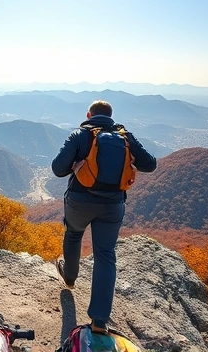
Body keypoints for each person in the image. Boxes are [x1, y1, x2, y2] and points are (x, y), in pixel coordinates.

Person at [51, 100, 156, 334]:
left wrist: (76, 167)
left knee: (74, 234)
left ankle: (69, 277)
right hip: (113, 205)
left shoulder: (80, 135)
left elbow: (57, 168)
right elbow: (151, 164)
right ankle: (99, 320)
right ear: (111, 116)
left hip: (80, 200)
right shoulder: (125, 136)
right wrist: (130, 164)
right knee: (106, 255)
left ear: (89, 114)